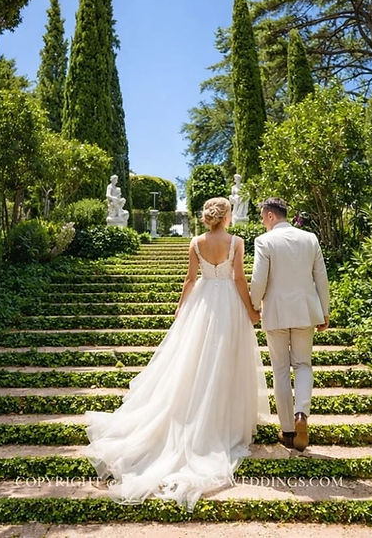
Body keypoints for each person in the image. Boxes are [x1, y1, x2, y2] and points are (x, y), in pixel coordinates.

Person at [83, 197, 268, 511]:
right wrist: (251, 309)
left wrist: (182, 308)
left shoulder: (196, 242)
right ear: (226, 216)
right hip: (228, 306)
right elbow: (238, 278)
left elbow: (190, 279)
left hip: (202, 302)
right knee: (226, 361)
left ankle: (196, 415)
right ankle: (225, 422)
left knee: (193, 363)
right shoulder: (236, 242)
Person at [250, 197, 330, 451]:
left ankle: (287, 431)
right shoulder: (310, 239)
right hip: (305, 311)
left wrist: (254, 304)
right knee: (303, 364)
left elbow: (259, 278)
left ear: (271, 215)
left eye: (263, 217)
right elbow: (321, 278)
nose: (263, 222)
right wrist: (324, 311)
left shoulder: (265, 241)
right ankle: (301, 415)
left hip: (275, 312)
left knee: (281, 370)